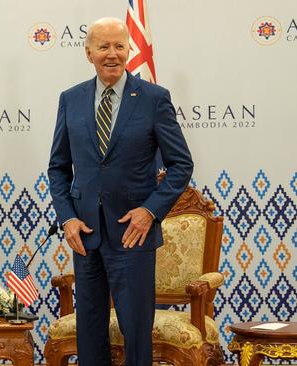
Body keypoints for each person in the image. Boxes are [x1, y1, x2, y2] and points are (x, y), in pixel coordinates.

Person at [47, 17, 193, 366]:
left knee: (136, 329)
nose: (111, 54)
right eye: (103, 46)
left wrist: (150, 211)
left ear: (130, 49)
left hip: (133, 235)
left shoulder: (154, 99)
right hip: (85, 235)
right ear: (89, 53)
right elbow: (57, 167)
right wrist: (67, 218)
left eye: (118, 46)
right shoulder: (71, 99)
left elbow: (181, 165)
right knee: (90, 330)